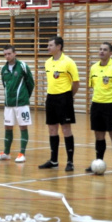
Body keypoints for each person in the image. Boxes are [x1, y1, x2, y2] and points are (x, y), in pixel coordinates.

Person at [85, 42, 112, 175]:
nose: (101, 52)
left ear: (111, 53)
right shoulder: (93, 68)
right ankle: (99, 162)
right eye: (100, 49)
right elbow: (93, 86)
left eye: (105, 50)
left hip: (111, 106)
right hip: (97, 105)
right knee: (99, 135)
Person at [39, 36, 79, 170]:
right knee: (52, 129)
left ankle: (70, 162)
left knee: (66, 129)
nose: (47, 47)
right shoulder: (48, 63)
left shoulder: (69, 62)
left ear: (59, 47)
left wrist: (68, 96)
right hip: (51, 97)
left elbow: (76, 83)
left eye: (50, 45)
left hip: (64, 98)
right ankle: (54, 160)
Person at [0, 45, 35, 163]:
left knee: (23, 127)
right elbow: (4, 85)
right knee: (8, 127)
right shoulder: (3, 69)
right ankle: (6, 153)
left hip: (21, 103)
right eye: (5, 54)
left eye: (9, 54)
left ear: (15, 53)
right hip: (8, 104)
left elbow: (30, 83)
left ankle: (22, 153)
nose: (7, 56)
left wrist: (25, 96)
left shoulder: (22, 66)